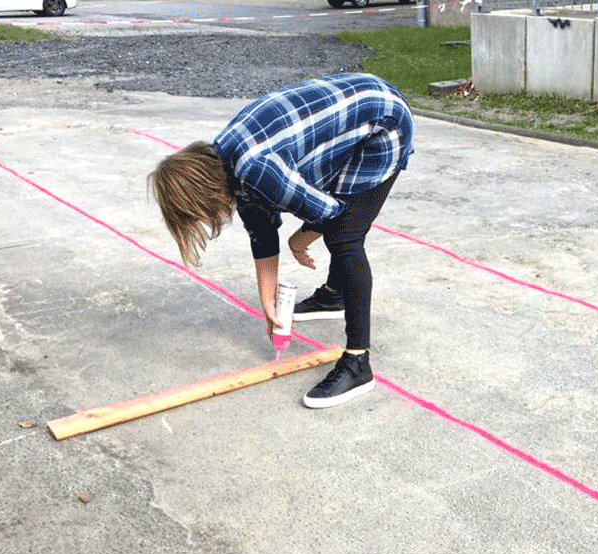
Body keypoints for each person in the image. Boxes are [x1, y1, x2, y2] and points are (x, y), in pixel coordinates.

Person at [149, 72, 414, 408]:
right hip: (353, 109)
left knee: (345, 238)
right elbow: (261, 235)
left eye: (200, 212)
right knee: (336, 222)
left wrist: (299, 241)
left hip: (382, 122)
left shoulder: (256, 170)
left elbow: (330, 212)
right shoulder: (223, 163)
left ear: (210, 193)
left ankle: (358, 362)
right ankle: (334, 296)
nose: (204, 218)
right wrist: (268, 303)